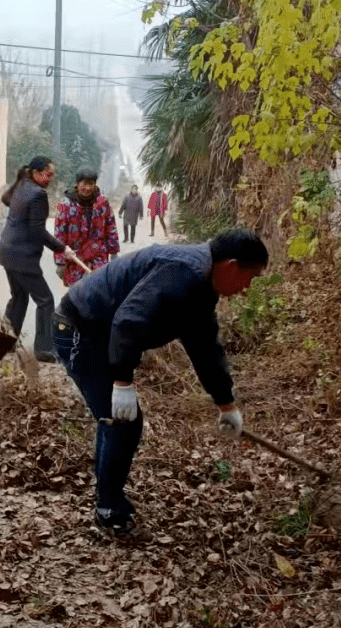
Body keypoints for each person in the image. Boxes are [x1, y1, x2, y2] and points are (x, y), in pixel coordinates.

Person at [54, 229, 269, 540]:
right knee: (119, 420)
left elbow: (205, 347)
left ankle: (109, 497)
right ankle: (108, 510)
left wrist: (226, 403)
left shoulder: (202, 285)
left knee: (121, 422)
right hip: (78, 328)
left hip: (101, 333)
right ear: (232, 266)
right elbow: (129, 321)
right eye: (249, 277)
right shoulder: (185, 273)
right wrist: (122, 382)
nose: (246, 288)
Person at [0, 155, 82, 362]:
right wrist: (62, 248)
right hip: (22, 257)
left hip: (8, 252)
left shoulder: (22, 185)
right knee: (45, 300)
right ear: (36, 173)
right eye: (48, 174)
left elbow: (6, 200)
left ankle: (5, 341)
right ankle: (44, 349)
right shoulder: (38, 195)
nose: (50, 178)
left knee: (19, 297)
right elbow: (37, 231)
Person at [53, 166, 120, 289]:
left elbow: (111, 228)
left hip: (98, 258)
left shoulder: (102, 203)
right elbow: (59, 235)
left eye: (91, 184)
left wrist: (114, 252)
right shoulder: (66, 205)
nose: (88, 188)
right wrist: (60, 262)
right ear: (77, 184)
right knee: (77, 298)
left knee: (98, 295)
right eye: (84, 184)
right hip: (75, 260)